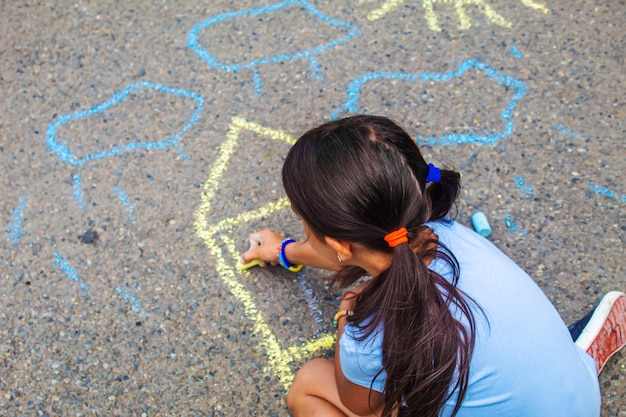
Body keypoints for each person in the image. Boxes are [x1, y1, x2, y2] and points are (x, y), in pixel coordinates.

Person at [240, 115, 626, 417]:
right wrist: (285, 251)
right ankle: (567, 361)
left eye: (303, 220)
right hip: (577, 395)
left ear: (343, 242)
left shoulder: (370, 337)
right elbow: (343, 250)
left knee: (308, 385)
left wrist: (346, 321)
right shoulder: (440, 231)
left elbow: (357, 405)